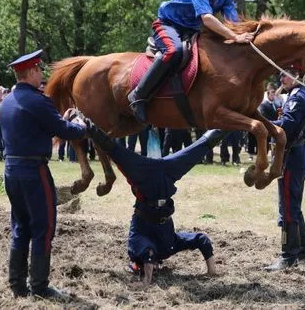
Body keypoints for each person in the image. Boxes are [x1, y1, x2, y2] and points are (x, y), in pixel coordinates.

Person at [82, 117, 228, 286]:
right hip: (158, 178)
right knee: (200, 147)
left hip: (148, 179)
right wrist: (211, 273)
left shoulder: (141, 245)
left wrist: (146, 282)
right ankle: (230, 122)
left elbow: (148, 253)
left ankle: (84, 122)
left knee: (115, 150)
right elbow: (200, 239)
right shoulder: (165, 246)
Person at [128, 0, 255, 123]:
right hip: (168, 25)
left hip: (191, 30)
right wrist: (235, 37)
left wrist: (247, 34)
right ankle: (138, 96)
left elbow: (232, 22)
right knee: (174, 51)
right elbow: (207, 18)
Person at [0, 49, 87, 301]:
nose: (42, 74)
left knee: (20, 226)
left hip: (12, 170)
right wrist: (79, 125)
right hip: (34, 171)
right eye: (39, 70)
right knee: (44, 226)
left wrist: (62, 121)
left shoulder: (8, 100)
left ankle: (17, 284)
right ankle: (39, 286)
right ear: (31, 72)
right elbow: (65, 131)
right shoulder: (38, 101)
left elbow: (35, 130)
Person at [264, 66, 305, 271]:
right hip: (298, 154)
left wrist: (260, 123)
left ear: (297, 76)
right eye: (281, 74)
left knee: (287, 207)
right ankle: (303, 251)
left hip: (293, 156)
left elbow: (285, 126)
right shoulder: (301, 94)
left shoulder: (297, 97)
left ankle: (288, 256)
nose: (281, 78)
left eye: (285, 74)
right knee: (293, 205)